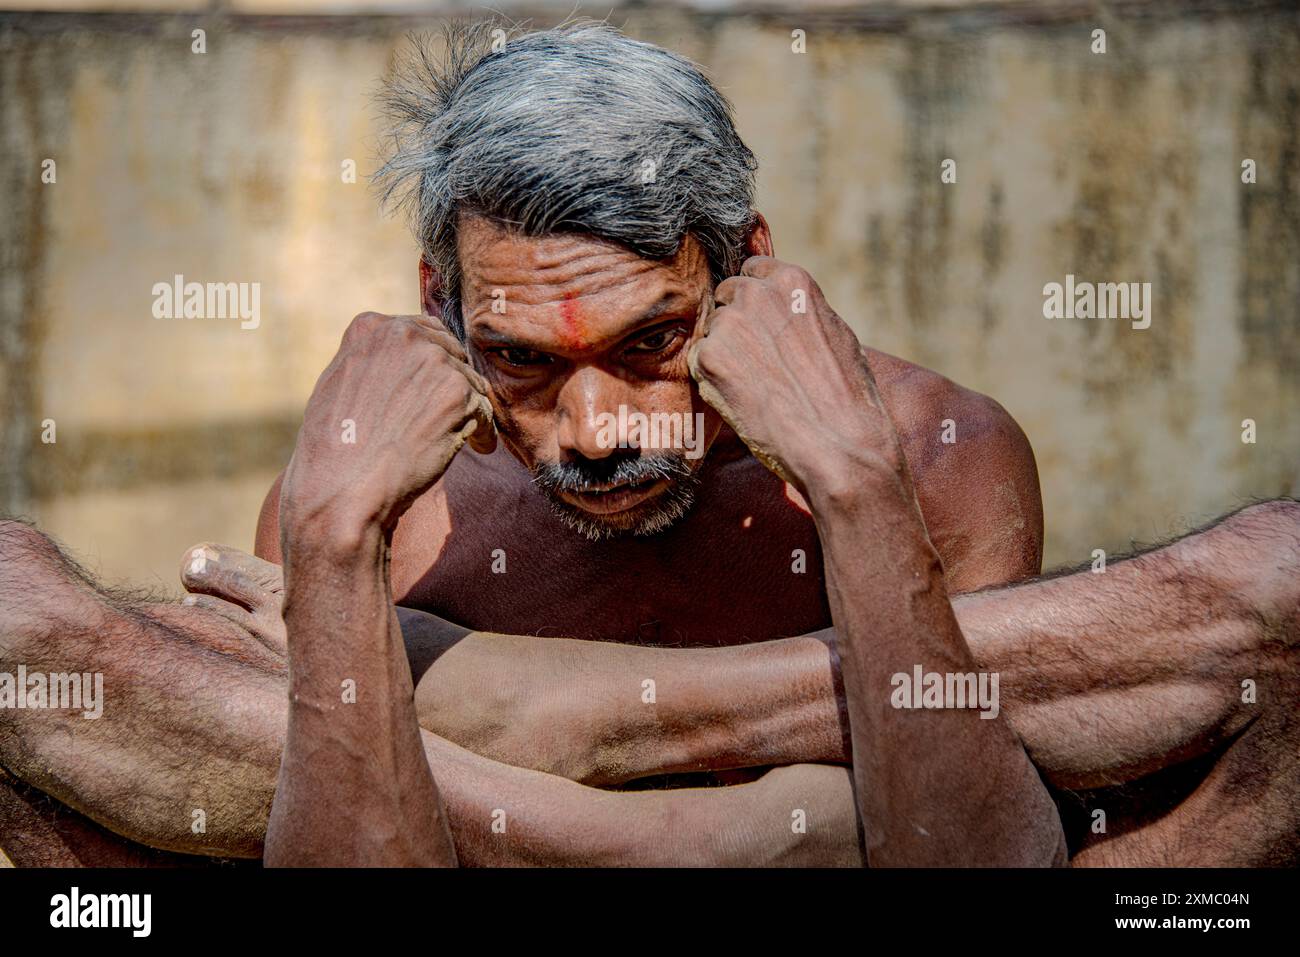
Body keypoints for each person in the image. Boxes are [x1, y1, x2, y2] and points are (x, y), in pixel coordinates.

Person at [1, 21, 1296, 867]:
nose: (598, 433)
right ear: (438, 305)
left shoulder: (926, 450)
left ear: (750, 273)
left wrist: (851, 490)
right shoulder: (384, 493)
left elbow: (961, 854)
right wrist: (337, 548)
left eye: (649, 342)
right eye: (522, 359)